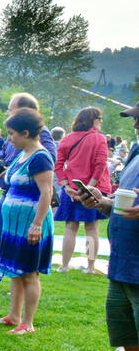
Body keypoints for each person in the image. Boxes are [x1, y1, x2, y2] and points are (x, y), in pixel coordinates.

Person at [76, 100, 139, 351]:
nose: (136, 126)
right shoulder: (136, 152)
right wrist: (101, 203)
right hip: (122, 266)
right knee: (131, 345)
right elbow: (122, 204)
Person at [0, 107, 54, 334]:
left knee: (29, 272)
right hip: (15, 225)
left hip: (31, 224)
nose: (9, 138)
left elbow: (46, 192)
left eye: (12, 133)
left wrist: (37, 224)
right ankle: (13, 316)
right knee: (14, 270)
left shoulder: (41, 157)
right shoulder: (23, 154)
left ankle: (27, 323)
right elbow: (18, 178)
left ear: (26, 133)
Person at [0, 94, 42, 290]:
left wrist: (37, 223)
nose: (7, 112)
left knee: (22, 256)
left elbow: (44, 178)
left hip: (26, 204)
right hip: (9, 197)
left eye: (11, 109)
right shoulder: (16, 136)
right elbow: (6, 157)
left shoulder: (39, 143)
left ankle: (24, 315)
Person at [54, 106, 111, 275]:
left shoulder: (67, 139)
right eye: (99, 118)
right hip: (95, 189)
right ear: (92, 120)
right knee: (92, 228)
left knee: (70, 227)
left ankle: (64, 265)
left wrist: (66, 186)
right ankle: (90, 267)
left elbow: (58, 165)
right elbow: (100, 165)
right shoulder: (99, 138)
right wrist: (89, 188)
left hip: (71, 189)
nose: (101, 121)